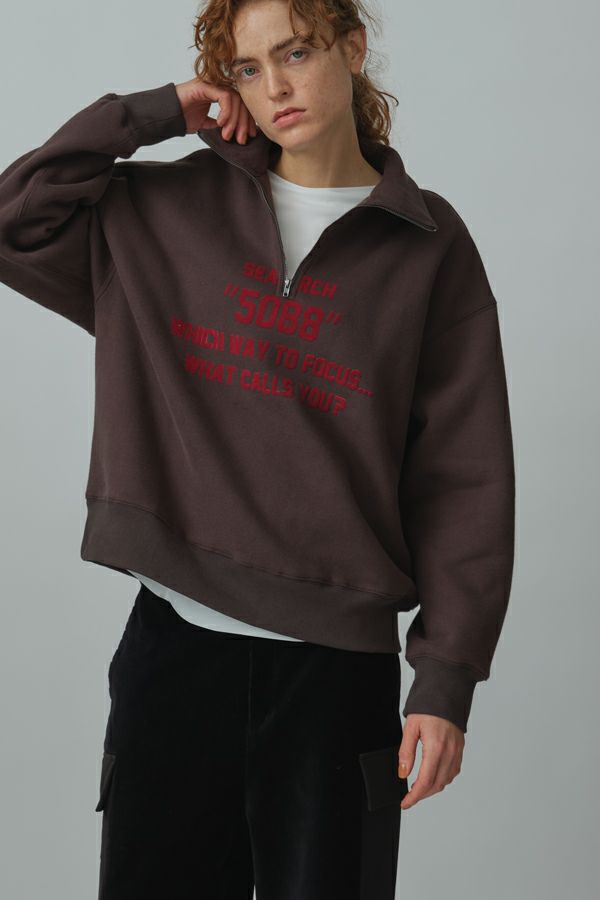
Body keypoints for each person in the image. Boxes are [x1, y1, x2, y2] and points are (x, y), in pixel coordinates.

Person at [0, 0, 515, 897]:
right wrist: (152, 113)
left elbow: (465, 475)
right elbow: (15, 221)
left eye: (297, 52)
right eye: (247, 67)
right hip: (174, 651)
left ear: (351, 47)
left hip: (337, 676)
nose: (275, 85)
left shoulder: (429, 244)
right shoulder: (164, 211)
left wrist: (445, 679)